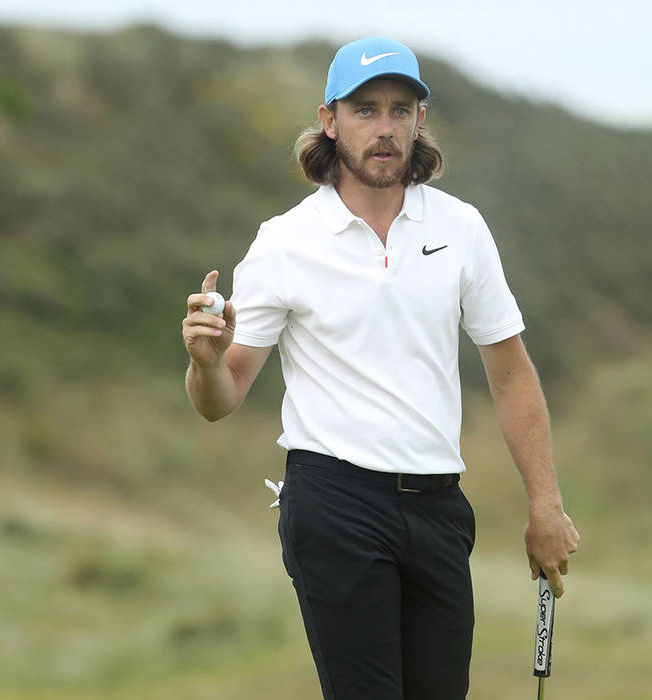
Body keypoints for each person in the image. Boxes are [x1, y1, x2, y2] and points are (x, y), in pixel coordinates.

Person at [182, 36, 579, 700]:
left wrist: (546, 505)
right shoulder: (286, 241)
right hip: (333, 502)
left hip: (438, 507)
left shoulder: (461, 228)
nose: (385, 127)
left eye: (401, 109)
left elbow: (511, 374)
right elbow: (220, 397)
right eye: (365, 110)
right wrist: (206, 361)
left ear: (420, 121)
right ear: (330, 120)